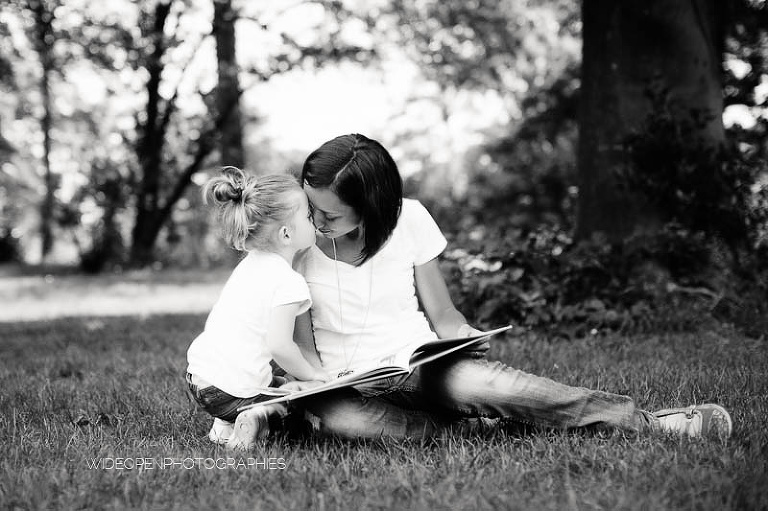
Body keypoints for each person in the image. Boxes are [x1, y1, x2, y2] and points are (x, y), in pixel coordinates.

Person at [291, 133, 733, 441]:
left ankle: (652, 423)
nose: (316, 221)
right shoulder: (295, 242)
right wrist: (314, 383)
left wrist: (460, 337)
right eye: (312, 207)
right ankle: (474, 426)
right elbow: (301, 344)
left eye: (330, 215)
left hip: (414, 364)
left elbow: (444, 315)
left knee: (499, 389)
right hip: (340, 385)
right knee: (348, 424)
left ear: (372, 206)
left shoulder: (409, 218)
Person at [186, 166, 329, 449]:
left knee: (277, 380)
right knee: (297, 399)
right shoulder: (289, 282)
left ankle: (224, 426)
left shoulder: (250, 264)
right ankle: (257, 418)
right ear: (287, 234)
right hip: (230, 390)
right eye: (309, 216)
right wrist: (313, 376)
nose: (315, 221)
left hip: (199, 378)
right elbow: (280, 346)